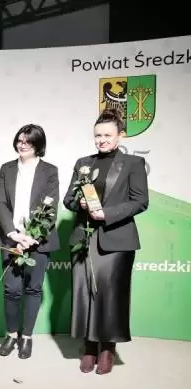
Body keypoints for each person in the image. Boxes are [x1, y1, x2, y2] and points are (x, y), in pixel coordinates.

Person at [63, 109, 148, 374]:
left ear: (120, 135)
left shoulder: (133, 164)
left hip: (117, 240)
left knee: (111, 296)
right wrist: (79, 202)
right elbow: (68, 199)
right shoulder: (83, 163)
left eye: (107, 135)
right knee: (85, 293)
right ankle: (89, 347)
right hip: (84, 238)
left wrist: (106, 214)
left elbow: (140, 201)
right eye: (98, 135)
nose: (102, 140)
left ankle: (107, 349)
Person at [0, 124, 60, 359]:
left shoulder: (50, 171)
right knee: (11, 290)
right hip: (10, 238)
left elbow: (51, 208)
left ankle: (27, 337)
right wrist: (13, 233)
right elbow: (1, 203)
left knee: (33, 288)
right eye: (20, 140)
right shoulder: (6, 168)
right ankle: (12, 335)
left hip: (38, 240)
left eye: (28, 141)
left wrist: (32, 236)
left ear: (38, 145)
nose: (22, 145)